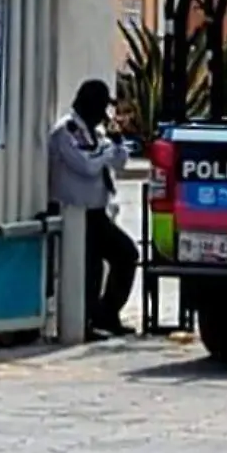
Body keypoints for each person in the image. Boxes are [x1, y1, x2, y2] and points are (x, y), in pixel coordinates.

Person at [49, 79, 140, 338]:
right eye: (101, 107)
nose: (104, 115)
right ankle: (85, 323)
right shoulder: (65, 132)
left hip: (98, 213)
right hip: (75, 213)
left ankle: (107, 313)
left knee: (126, 254)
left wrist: (117, 143)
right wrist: (105, 155)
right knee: (88, 269)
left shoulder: (96, 133)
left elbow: (120, 162)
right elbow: (86, 167)